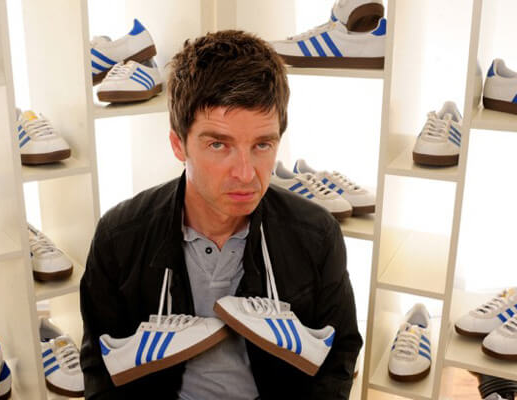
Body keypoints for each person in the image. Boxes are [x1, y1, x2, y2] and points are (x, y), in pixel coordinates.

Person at [79, 29, 362, 399]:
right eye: (218, 144)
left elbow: (339, 356)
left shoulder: (317, 233)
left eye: (262, 144)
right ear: (178, 144)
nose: (245, 174)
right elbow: (100, 371)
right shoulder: (119, 235)